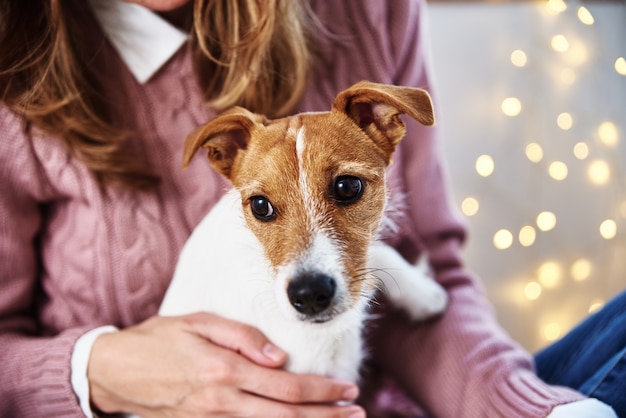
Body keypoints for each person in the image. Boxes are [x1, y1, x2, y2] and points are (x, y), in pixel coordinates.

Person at [0, 0, 622, 416]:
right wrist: (95, 368)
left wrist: (537, 408)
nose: (308, 265)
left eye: (346, 190)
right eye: (265, 209)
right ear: (223, 160)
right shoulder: (16, 69)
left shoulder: (367, 12)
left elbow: (436, 283)